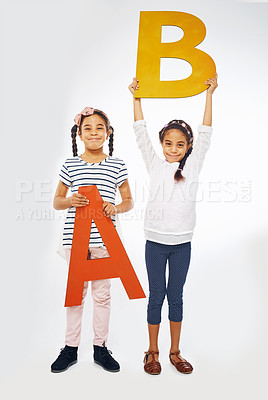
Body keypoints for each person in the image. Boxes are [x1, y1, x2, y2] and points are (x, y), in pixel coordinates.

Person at [128, 74, 218, 375]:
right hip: (155, 242)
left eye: (180, 144)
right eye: (168, 143)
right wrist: (135, 97)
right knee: (156, 296)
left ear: (188, 145)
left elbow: (206, 132)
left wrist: (209, 93)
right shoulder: (155, 163)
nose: (173, 148)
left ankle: (174, 352)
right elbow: (140, 133)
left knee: (176, 297)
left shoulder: (193, 164)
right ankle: (151, 352)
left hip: (182, 244)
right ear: (162, 144)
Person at [51, 107, 133, 373]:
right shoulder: (70, 165)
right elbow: (57, 201)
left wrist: (116, 207)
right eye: (88, 128)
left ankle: (100, 347)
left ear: (108, 133)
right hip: (76, 239)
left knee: (102, 295)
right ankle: (70, 348)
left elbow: (129, 201)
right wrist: (70, 200)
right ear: (79, 134)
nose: (94, 132)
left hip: (104, 241)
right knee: (76, 295)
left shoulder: (117, 165)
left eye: (100, 128)